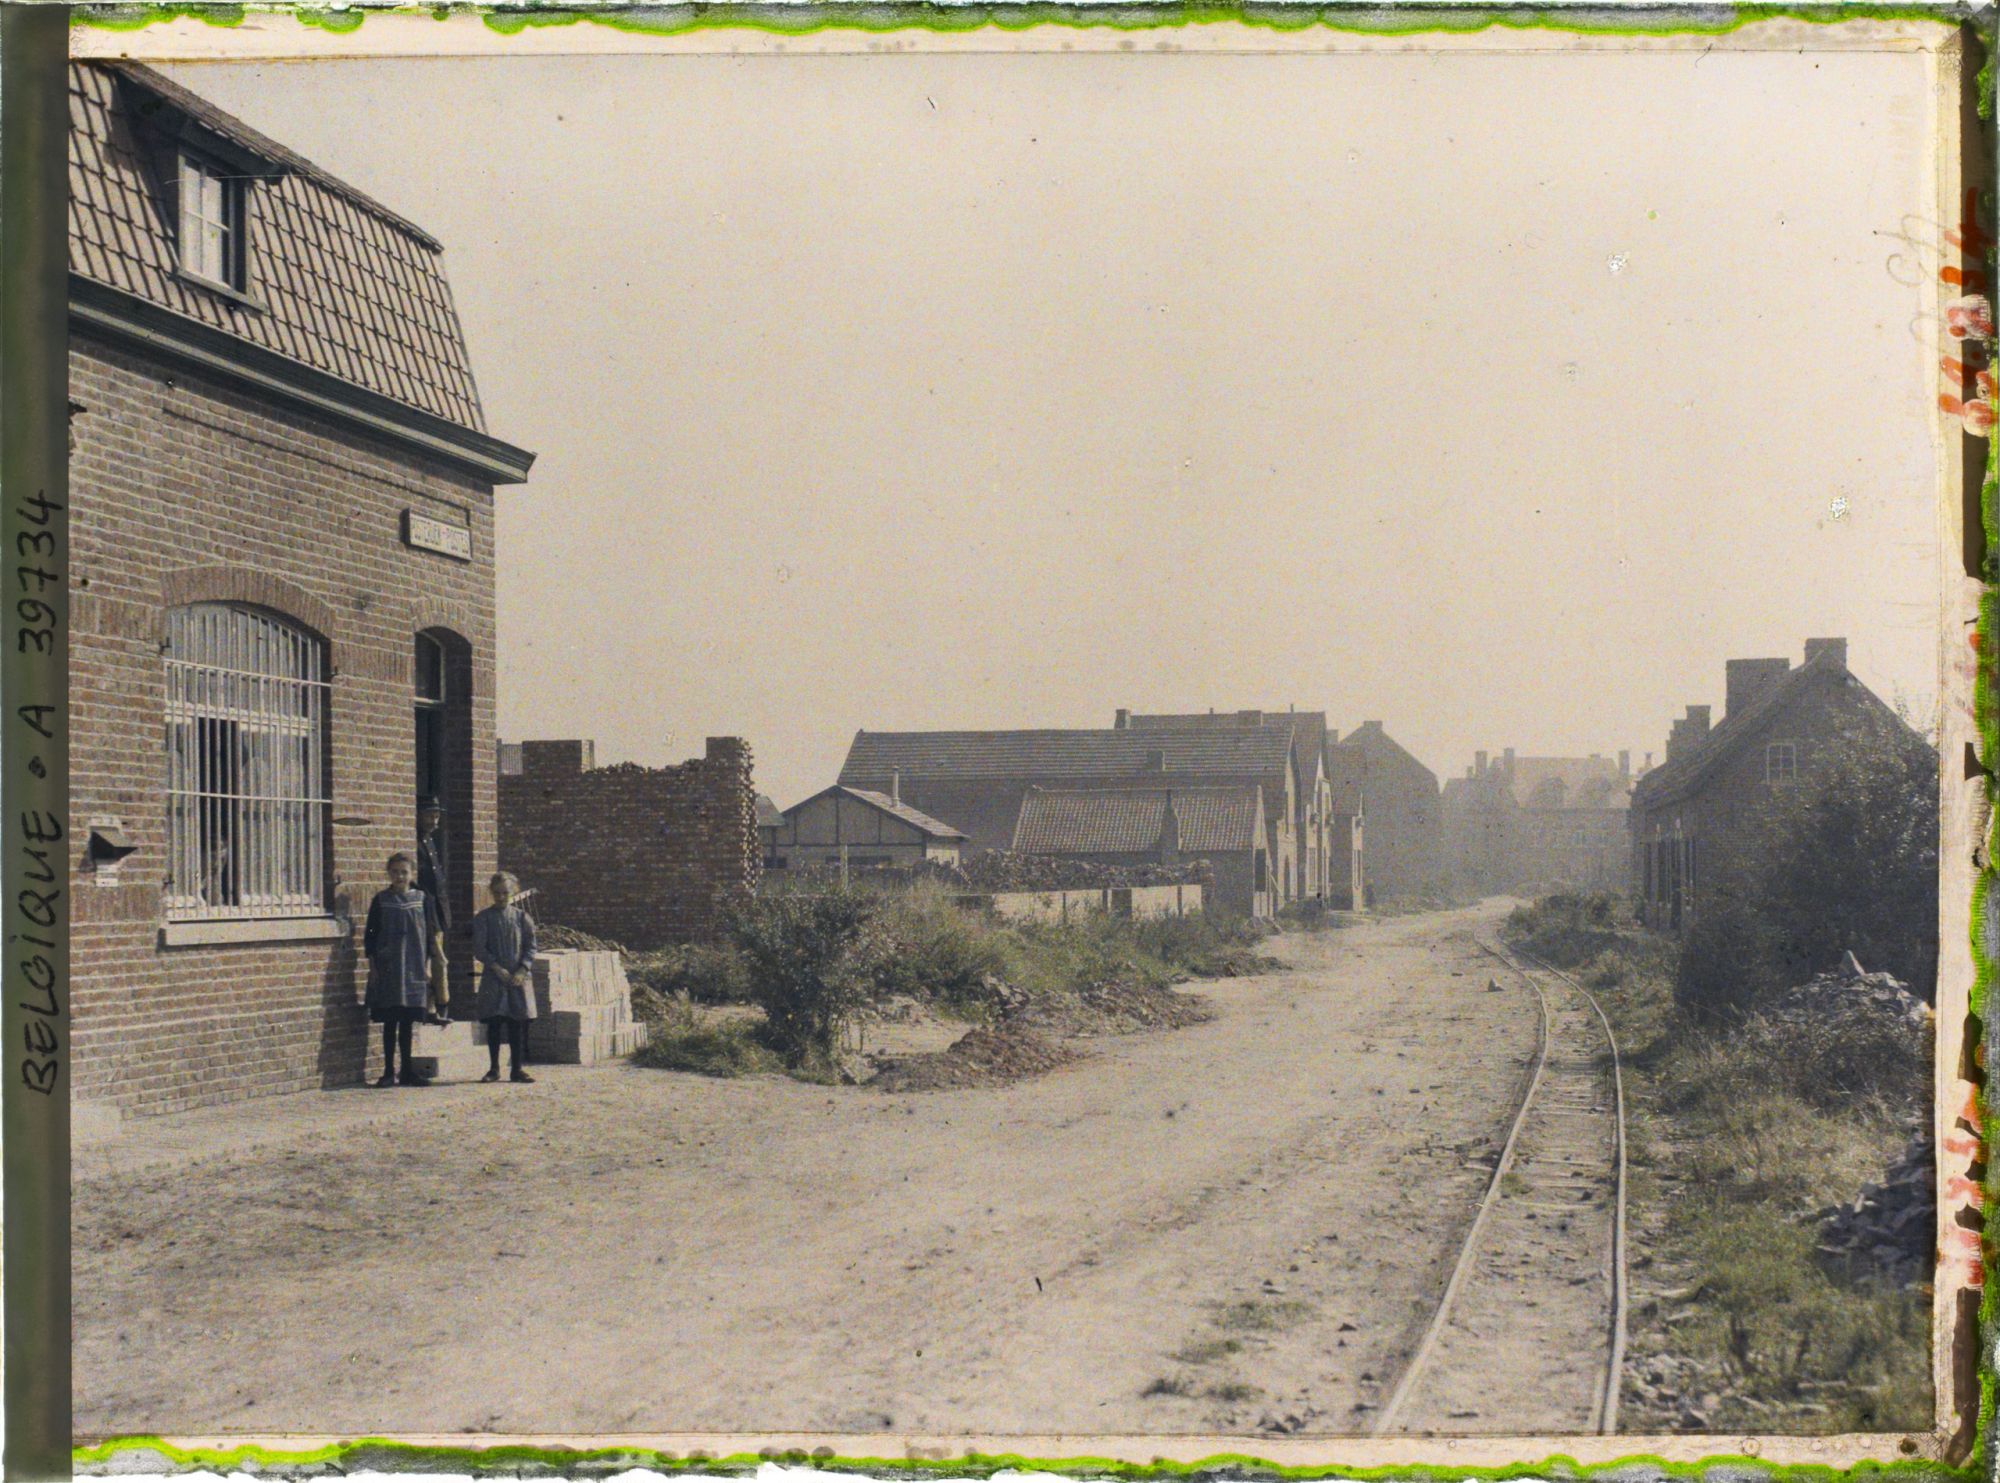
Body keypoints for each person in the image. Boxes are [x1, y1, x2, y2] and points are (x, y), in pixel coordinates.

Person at [365, 852, 443, 1087]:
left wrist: (429, 966)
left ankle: (407, 1070)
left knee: (408, 1021)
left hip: (414, 967)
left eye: (404, 872)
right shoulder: (381, 900)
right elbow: (370, 936)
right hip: (389, 967)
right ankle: (388, 1071)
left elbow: (432, 936)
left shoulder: (422, 899)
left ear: (412, 874)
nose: (400, 876)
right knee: (391, 1021)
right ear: (388, 873)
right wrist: (373, 966)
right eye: (395, 872)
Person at [471, 870, 538, 1084]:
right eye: (497, 893)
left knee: (516, 1023)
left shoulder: (521, 917)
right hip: (494, 977)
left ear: (514, 892)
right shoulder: (483, 918)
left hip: (517, 979)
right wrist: (495, 967)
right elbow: (479, 948)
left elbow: (531, 946)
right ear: (492, 892)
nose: (501, 897)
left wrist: (522, 970)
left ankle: (516, 1068)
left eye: (506, 893)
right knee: (494, 1022)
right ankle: (493, 1068)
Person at [416, 800, 453, 1026]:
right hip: (424, 912)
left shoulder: (431, 841)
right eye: (429, 815)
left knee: (438, 961)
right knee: (432, 961)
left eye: (437, 816)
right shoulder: (415, 842)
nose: (434, 821)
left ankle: (439, 1007)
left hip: (437, 911)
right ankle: (433, 1007)